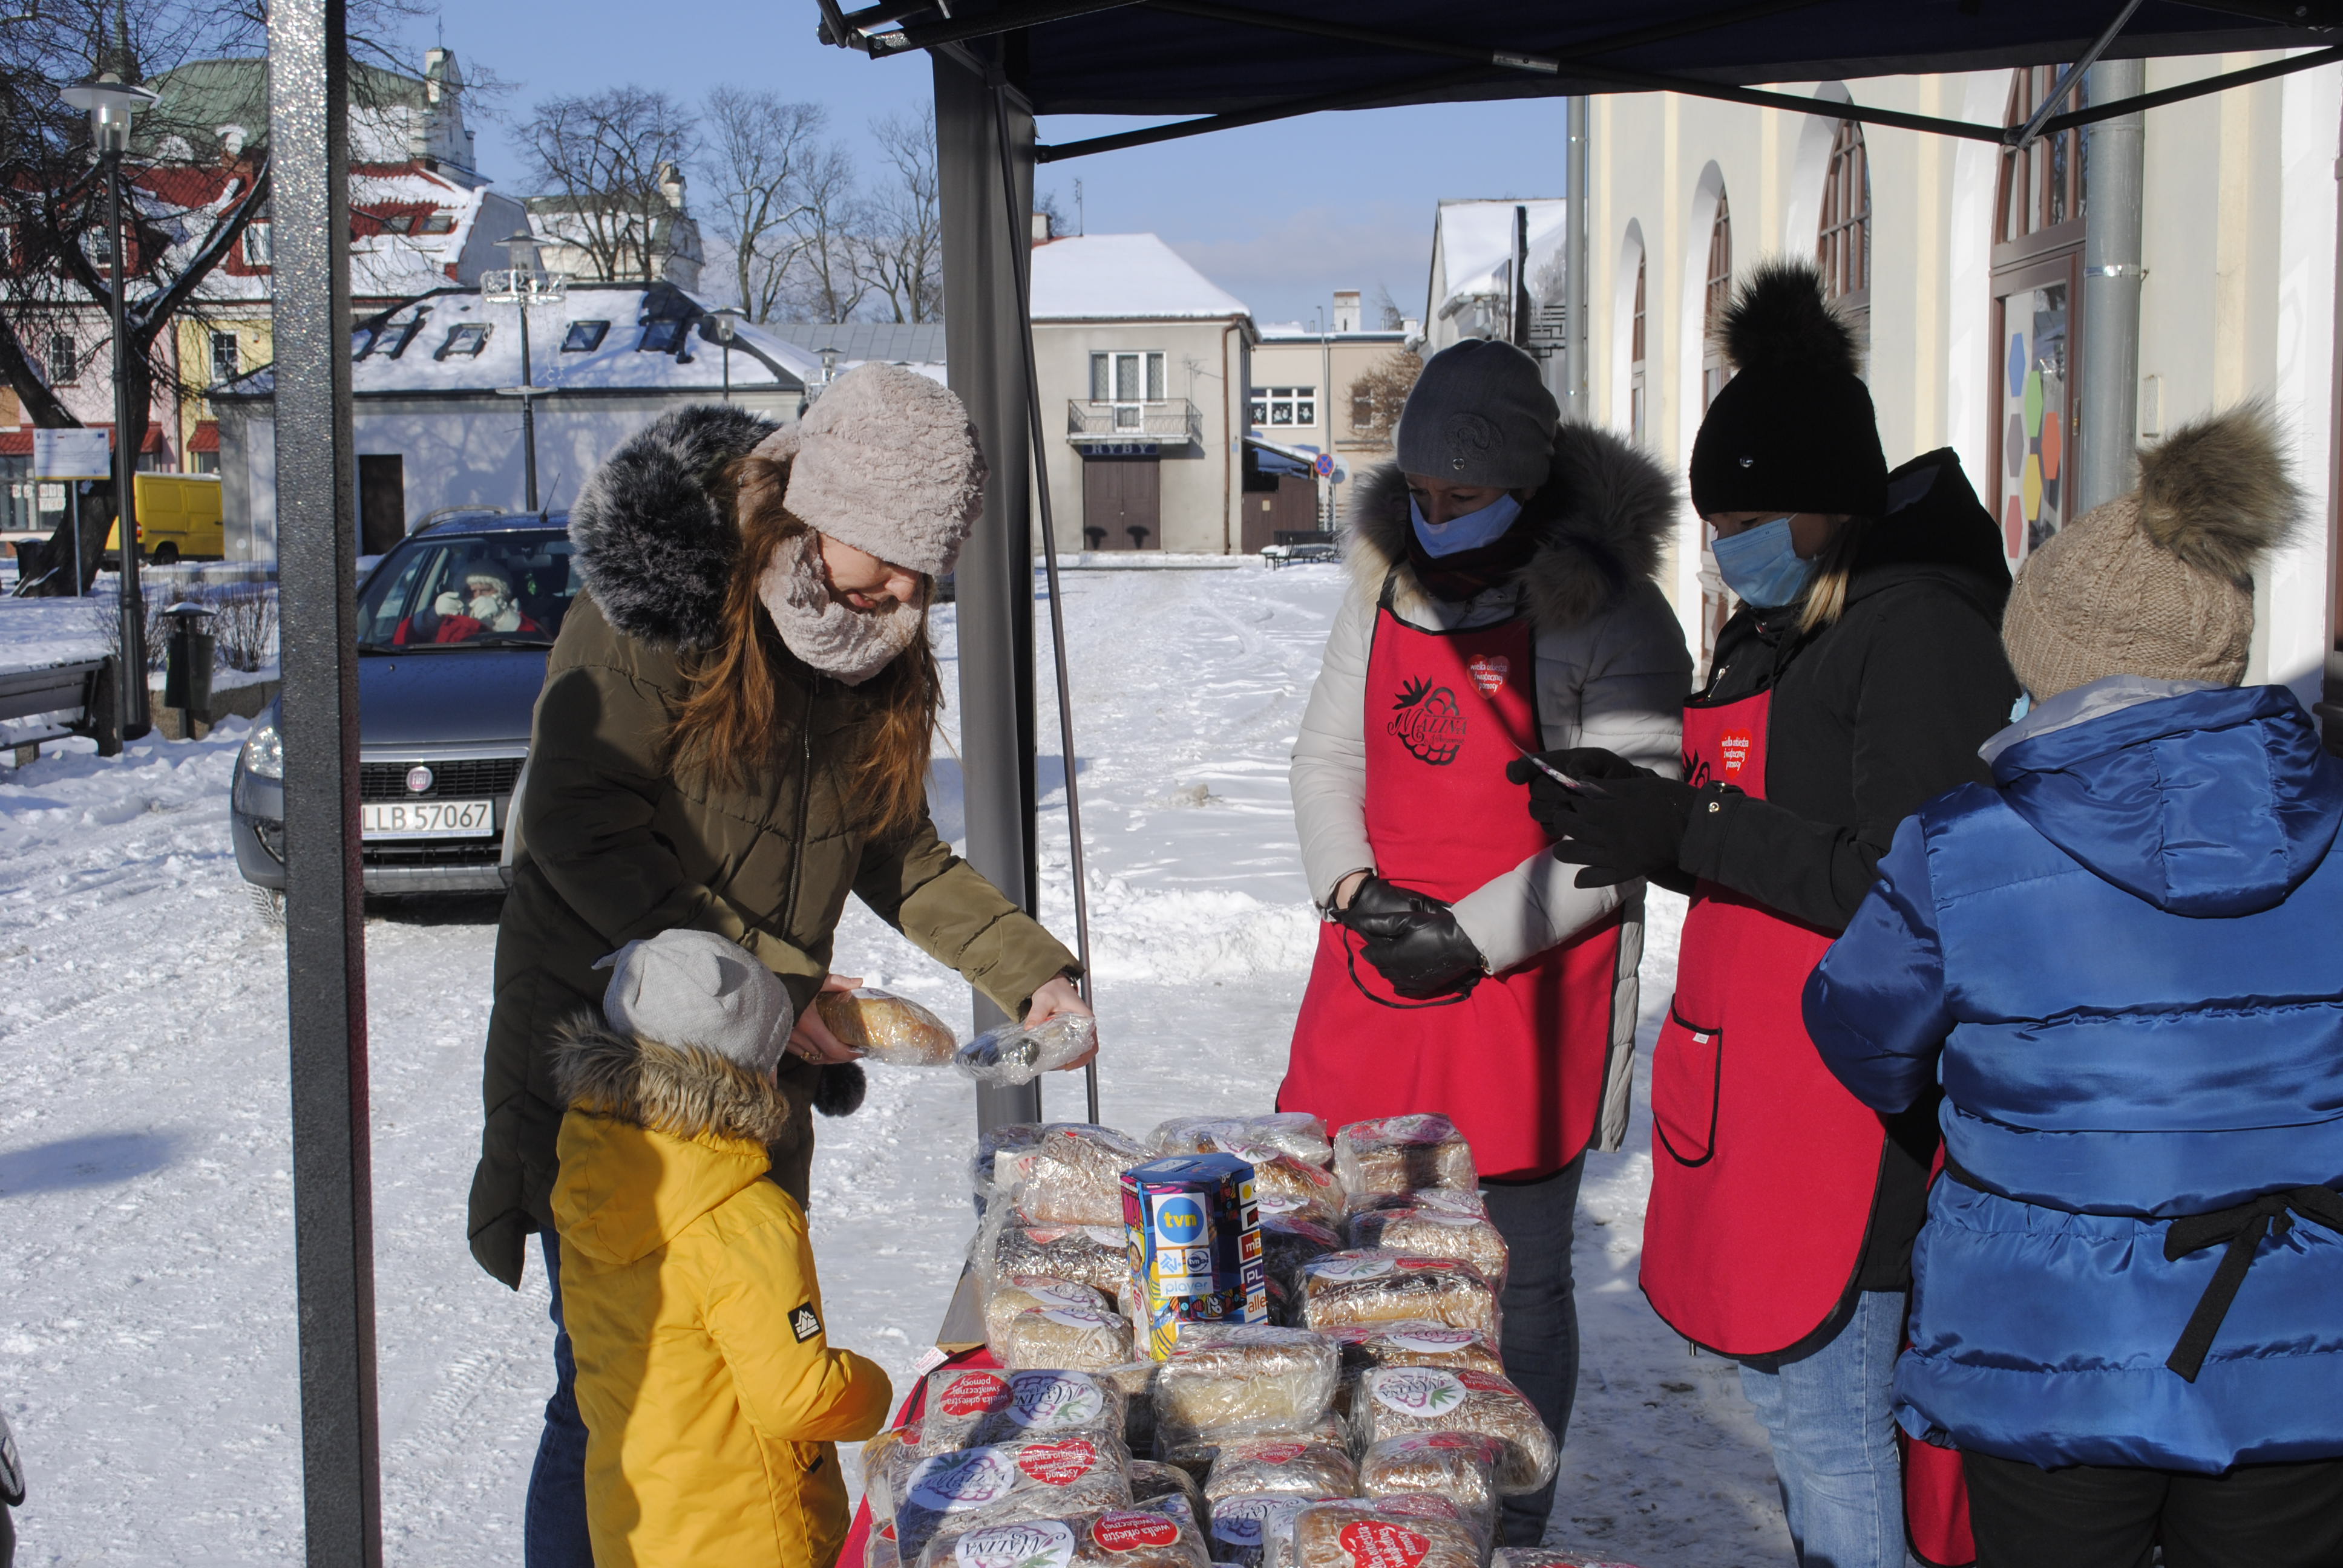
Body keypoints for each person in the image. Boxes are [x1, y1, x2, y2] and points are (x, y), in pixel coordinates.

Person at [470, 367, 1093, 1568]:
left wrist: (1031, 974)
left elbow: (896, 848)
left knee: (739, 1384)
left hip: (744, 1076)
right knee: (615, 1393)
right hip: (609, 1074)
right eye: (893, 553)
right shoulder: (669, 606)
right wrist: (770, 987)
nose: (911, 588)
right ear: (818, 505)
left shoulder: (879, 641)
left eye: (931, 562)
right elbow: (576, 825)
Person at [1517, 260, 2018, 1568]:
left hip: (1853, 1133)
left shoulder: (1918, 633)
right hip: (1764, 1091)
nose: (1729, 543)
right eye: (1715, 514)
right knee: (1814, 1454)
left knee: (1844, 1465)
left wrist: (1687, 829)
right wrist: (1644, 805)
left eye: (1748, 514)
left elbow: (1906, 885)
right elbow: (1774, 817)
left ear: (1827, 508)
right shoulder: (1791, 620)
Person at [1804, 403, 2343, 1568]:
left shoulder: (1961, 845)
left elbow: (1856, 1027)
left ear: (2048, 656)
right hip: (2304, 1339)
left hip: (2051, 1329)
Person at [1281, 338, 1692, 1545]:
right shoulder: (1384, 582)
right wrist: (1354, 892)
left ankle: (1509, 1515)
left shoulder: (1614, 615)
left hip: (1526, 981)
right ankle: (1364, 1492)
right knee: (1350, 1245)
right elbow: (1327, 756)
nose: (1437, 517)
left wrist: (1469, 936)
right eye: (1422, 493)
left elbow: (1625, 823)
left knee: (1519, 1275)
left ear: (1526, 484)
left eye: (1464, 498)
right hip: (1373, 961)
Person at [552, 927, 894, 1568]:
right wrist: (875, 1391)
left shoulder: (588, 1181)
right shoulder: (746, 1218)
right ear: (753, 1072)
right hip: (753, 1537)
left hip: (633, 1530)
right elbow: (797, 1395)